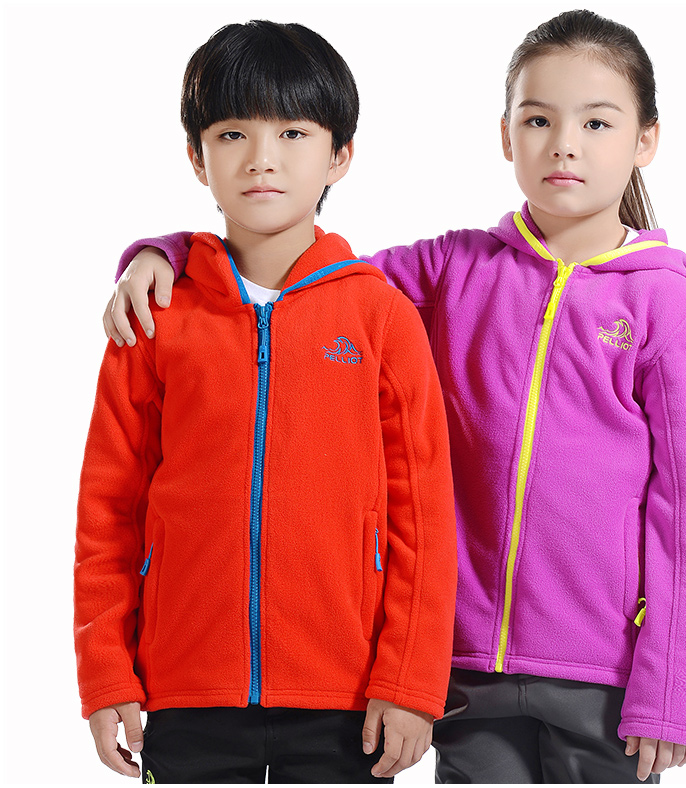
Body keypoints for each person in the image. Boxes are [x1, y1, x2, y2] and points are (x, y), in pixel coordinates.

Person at [105, 10, 686, 784]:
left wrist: (671, 694)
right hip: (465, 674)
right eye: (538, 119)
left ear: (646, 141)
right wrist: (164, 254)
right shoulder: (451, 271)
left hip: (602, 674)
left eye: (597, 123)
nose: (564, 144)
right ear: (506, 136)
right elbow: (297, 280)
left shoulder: (672, 314)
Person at [74, 20, 457, 785]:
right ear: (197, 157)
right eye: (232, 134)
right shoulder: (154, 317)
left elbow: (422, 515)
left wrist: (411, 683)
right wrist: (106, 673)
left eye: (292, 132)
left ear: (339, 155)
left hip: (346, 698)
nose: (261, 158)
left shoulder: (380, 318)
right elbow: (107, 510)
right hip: (185, 691)